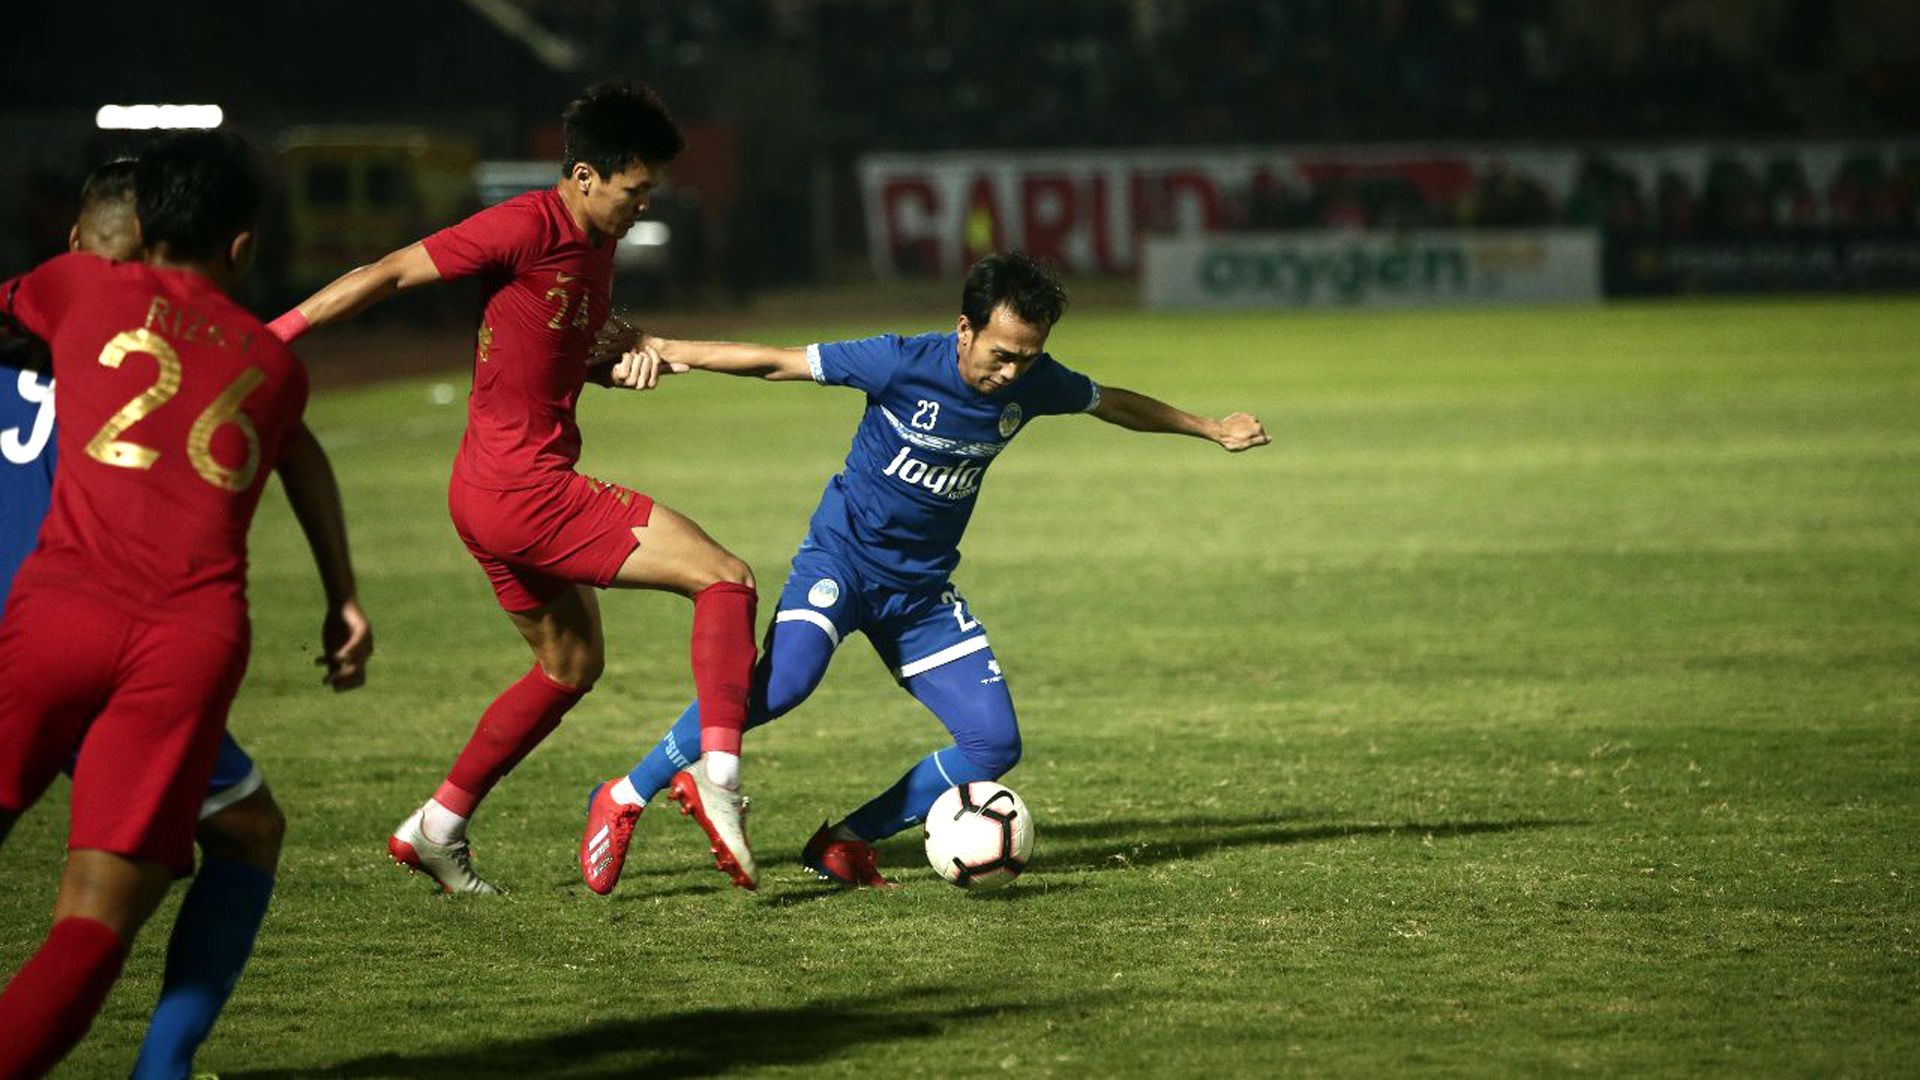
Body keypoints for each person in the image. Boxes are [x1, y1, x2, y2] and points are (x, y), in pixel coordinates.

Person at [578, 252, 1268, 893]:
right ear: (964, 329)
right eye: (1000, 355)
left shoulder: (1033, 382)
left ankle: (845, 841)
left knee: (993, 743)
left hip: (919, 594)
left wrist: (1208, 427)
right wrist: (666, 351)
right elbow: (776, 362)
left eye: (1028, 359)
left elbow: (1110, 401)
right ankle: (625, 793)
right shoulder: (899, 361)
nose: (1012, 373)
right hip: (841, 564)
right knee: (784, 684)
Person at [267, 82, 761, 893]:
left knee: (569, 666)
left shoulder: (596, 248)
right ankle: (718, 775)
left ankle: (438, 826)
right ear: (584, 176)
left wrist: (613, 363)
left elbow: (554, 347)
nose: (643, 207)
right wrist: (269, 339)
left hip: (489, 492)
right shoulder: (526, 224)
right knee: (726, 578)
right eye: (635, 192)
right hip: (524, 492)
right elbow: (389, 273)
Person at [0, 132, 371, 1078]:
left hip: (53, 618)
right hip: (184, 645)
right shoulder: (271, 364)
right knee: (98, 918)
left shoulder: (76, 293)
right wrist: (342, 595)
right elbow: (295, 449)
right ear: (242, 244)